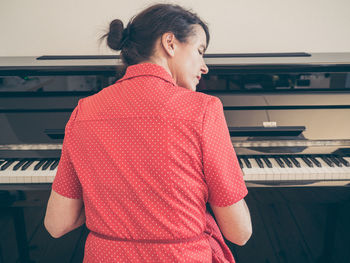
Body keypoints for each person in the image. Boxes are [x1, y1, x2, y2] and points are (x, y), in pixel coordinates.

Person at [44, 3, 252, 262]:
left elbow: (57, 223)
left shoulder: (83, 110)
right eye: (200, 51)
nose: (204, 66)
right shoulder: (204, 109)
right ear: (170, 43)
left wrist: (115, 196)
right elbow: (240, 232)